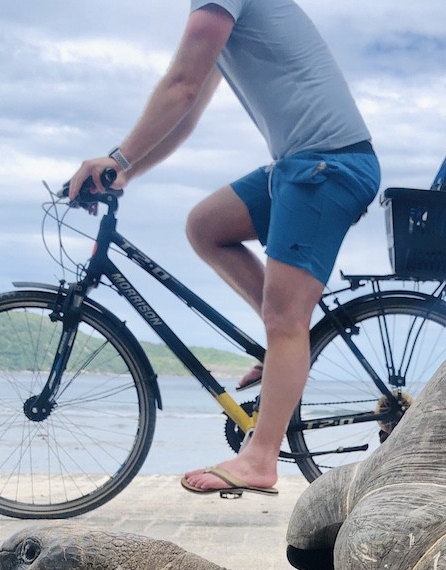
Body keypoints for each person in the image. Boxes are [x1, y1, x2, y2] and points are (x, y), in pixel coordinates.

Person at [68, 0, 380, 495]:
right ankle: (287, 340)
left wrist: (115, 156)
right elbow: (186, 113)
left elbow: (180, 85)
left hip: (327, 165)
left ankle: (259, 459)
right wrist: (125, 172)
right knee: (205, 227)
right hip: (301, 164)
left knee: (285, 321)